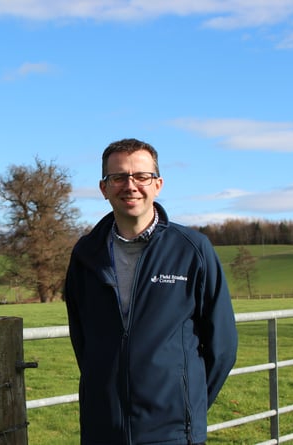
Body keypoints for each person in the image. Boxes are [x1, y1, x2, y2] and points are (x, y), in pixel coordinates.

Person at [65, 138, 238, 445]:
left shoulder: (193, 251)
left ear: (157, 184)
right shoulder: (85, 255)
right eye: (118, 177)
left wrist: (186, 408)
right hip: (102, 430)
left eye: (141, 176)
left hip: (172, 433)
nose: (130, 185)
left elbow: (221, 346)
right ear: (103, 188)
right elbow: (83, 340)